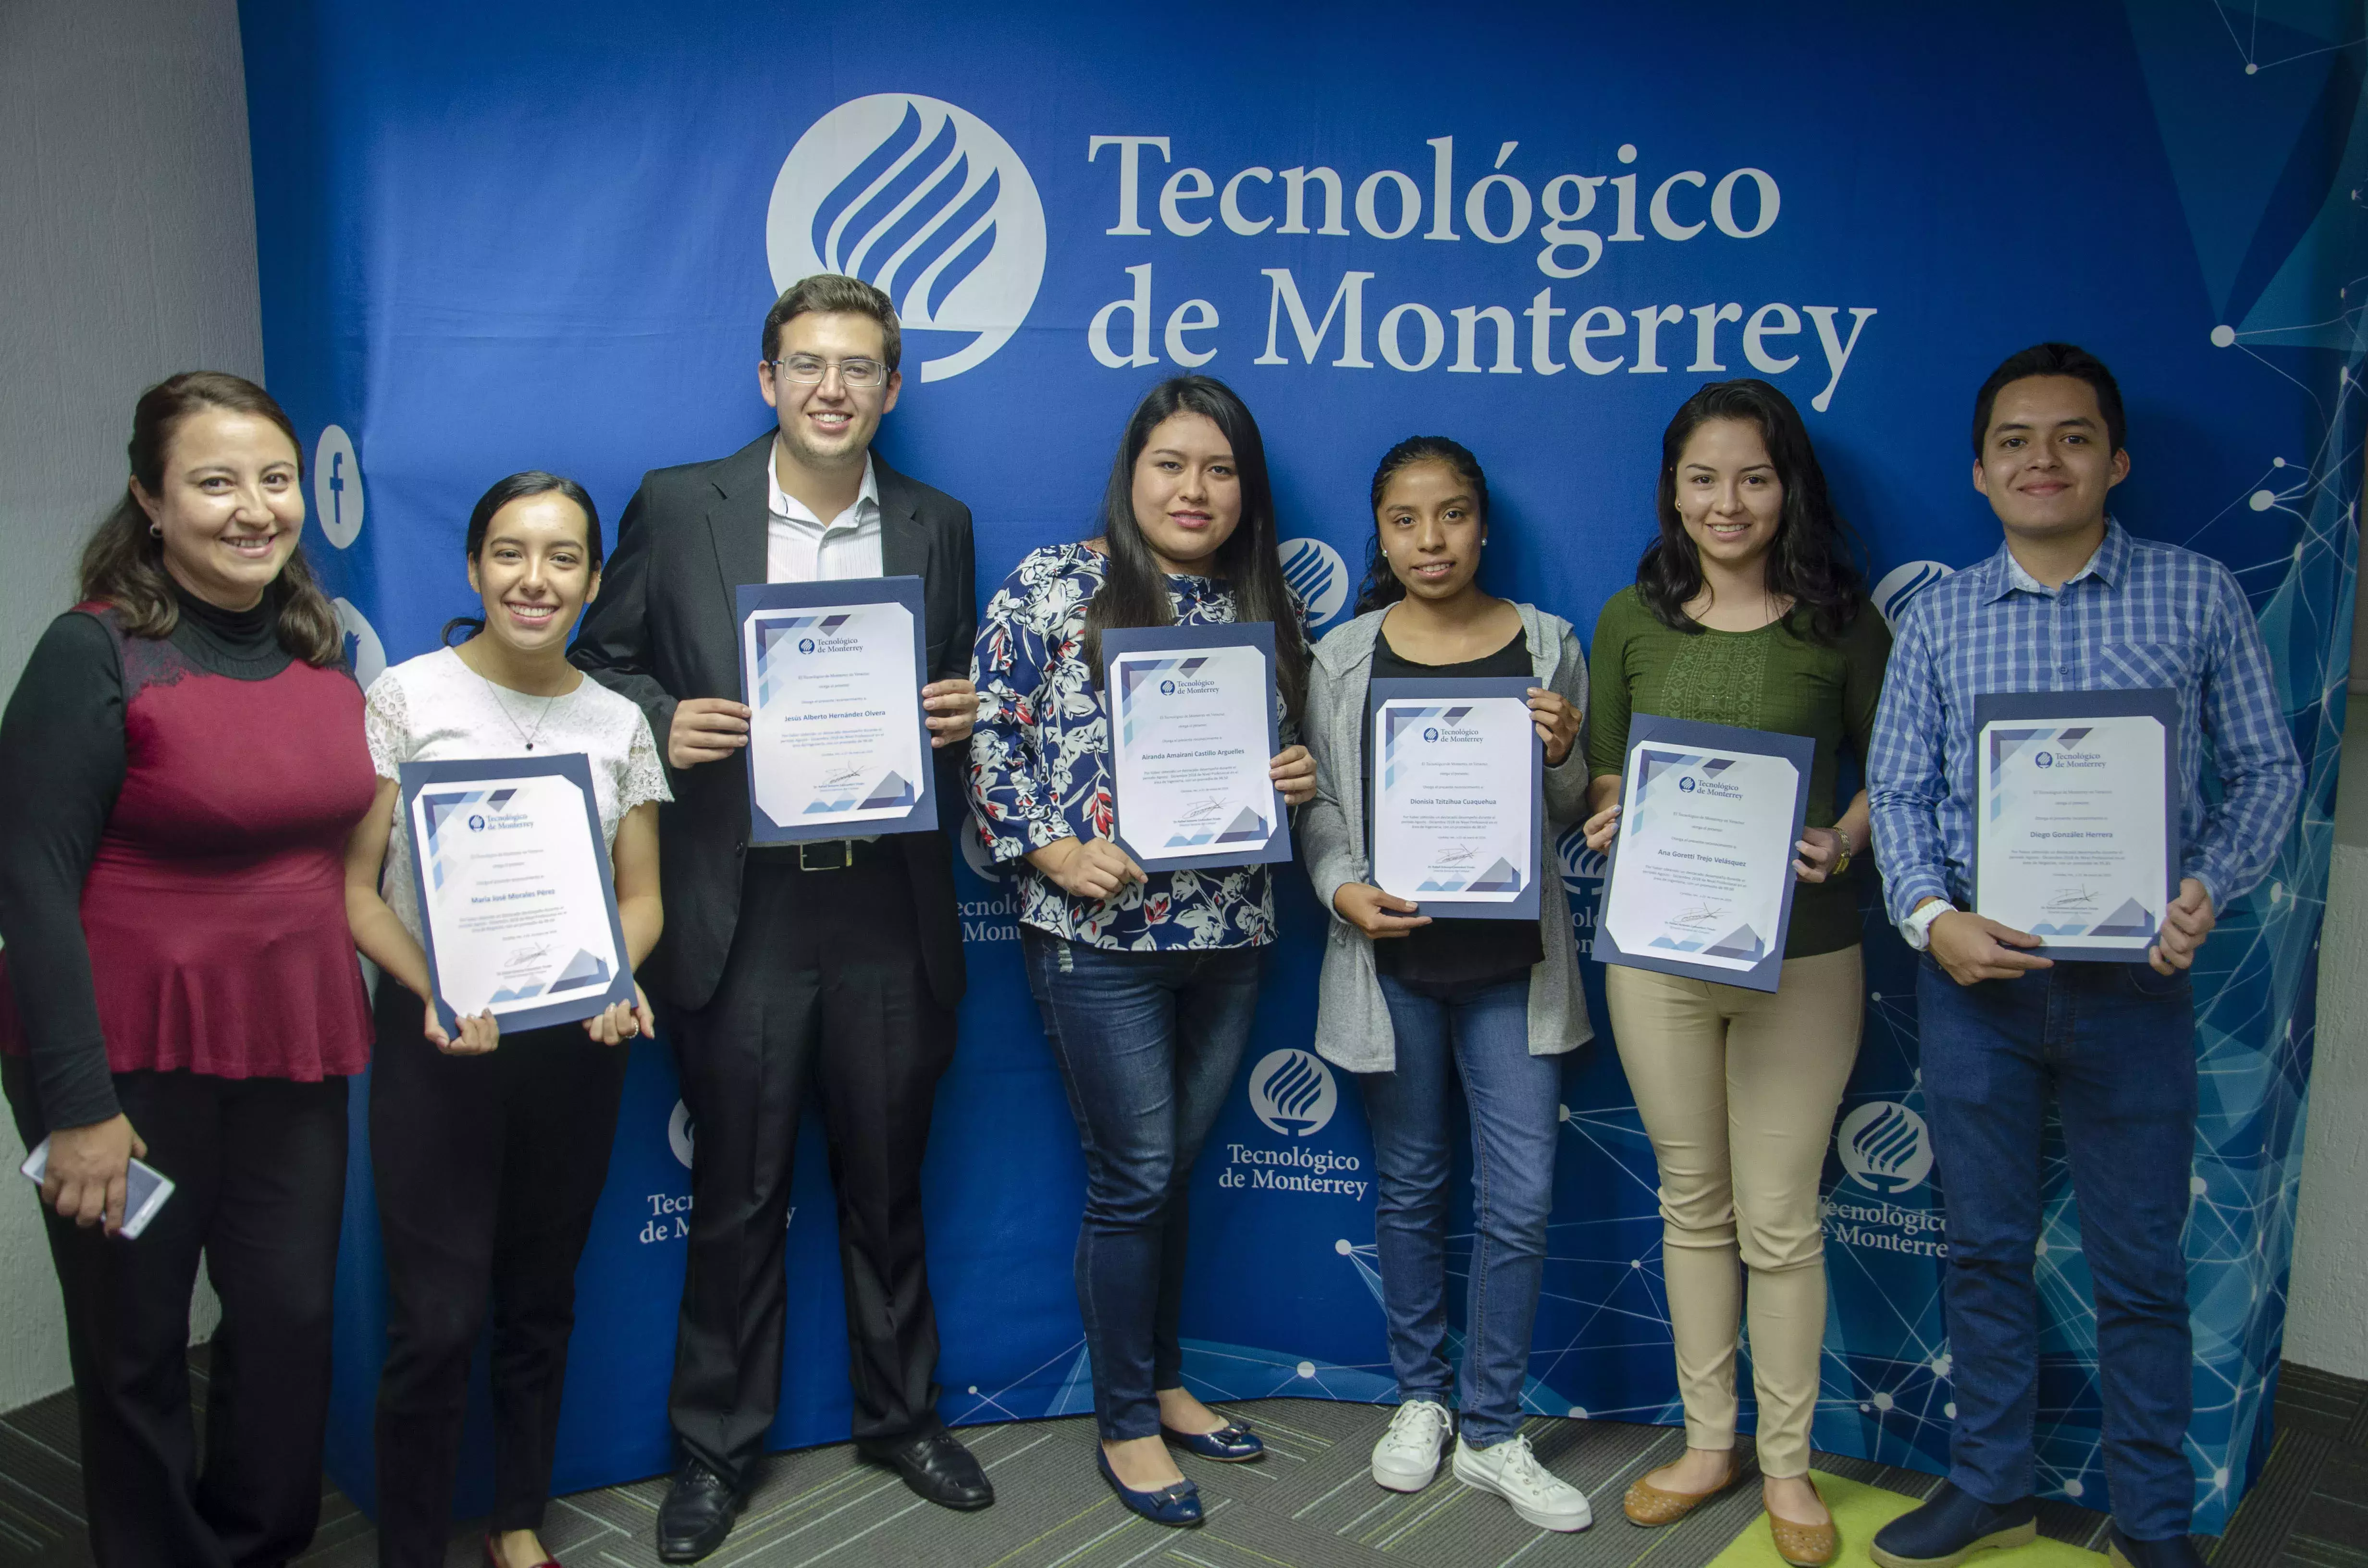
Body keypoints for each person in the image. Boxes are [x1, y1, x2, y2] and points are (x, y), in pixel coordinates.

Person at [571, 273, 986, 1563]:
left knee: (885, 1184)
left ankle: (901, 1416)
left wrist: (959, 716)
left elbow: (955, 695)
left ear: (893, 387)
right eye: (807, 363)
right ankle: (713, 1451)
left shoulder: (938, 521)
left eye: (860, 367)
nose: (831, 388)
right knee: (739, 1198)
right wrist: (654, 721)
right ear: (767, 380)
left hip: (887, 898)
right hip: (740, 906)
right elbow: (597, 661)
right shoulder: (682, 501)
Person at [1866, 344, 2300, 1568]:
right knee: (1985, 1251)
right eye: (2013, 440)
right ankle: (1991, 1481)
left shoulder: (2197, 595)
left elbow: (2266, 770)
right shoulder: (1939, 617)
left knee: (2139, 1269)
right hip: (1974, 989)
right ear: (1978, 470)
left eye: (2067, 438)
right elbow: (1895, 796)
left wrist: (2208, 886)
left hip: (2135, 992)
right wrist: (1927, 917)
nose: (2039, 460)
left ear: (2115, 460)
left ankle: (2155, 1519)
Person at [0, 371, 376, 1567]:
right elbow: (30, 892)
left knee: (287, 1322)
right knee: (136, 1341)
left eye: (273, 480)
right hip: (125, 1062)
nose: (254, 508)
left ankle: (261, 1545)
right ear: (149, 501)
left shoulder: (322, 654)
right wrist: (78, 1112)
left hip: (293, 1043)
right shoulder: (94, 651)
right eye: (214, 483)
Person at [968, 374, 1316, 1529]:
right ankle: (1122, 1422)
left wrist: (1293, 776)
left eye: (1219, 470)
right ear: (1132, 473)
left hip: (1229, 933)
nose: (1194, 489)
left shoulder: (1263, 605)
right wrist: (1053, 853)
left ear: (1243, 490)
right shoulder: (1055, 584)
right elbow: (991, 741)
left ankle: (1164, 1380)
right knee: (1130, 1180)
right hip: (1095, 937)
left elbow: (1284, 760)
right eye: (1172, 463)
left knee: (1167, 1174)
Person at [1580, 379, 1890, 1567]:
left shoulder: (1844, 622)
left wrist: (1844, 840)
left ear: (1788, 487)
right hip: (1657, 960)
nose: (1727, 503)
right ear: (1672, 490)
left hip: (1803, 960)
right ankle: (1709, 1444)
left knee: (1779, 1219)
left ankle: (1787, 1467)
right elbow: (1609, 777)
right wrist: (1612, 817)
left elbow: (1896, 771)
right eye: (1702, 479)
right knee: (1691, 1206)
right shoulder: (1628, 619)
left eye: (1753, 478)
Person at [342, 472, 668, 1568]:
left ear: (591, 579)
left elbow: (642, 898)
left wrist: (618, 977)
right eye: (512, 554)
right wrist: (428, 987)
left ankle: (517, 1519)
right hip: (437, 1047)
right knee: (433, 1324)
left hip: (575, 1051)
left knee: (540, 1300)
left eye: (563, 557)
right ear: (476, 566)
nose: (536, 580)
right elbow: (351, 890)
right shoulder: (407, 697)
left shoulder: (617, 719)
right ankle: (414, 1545)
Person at [1297, 437, 1595, 1531]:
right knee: (1414, 1190)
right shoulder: (1341, 655)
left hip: (1515, 968)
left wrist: (1563, 755)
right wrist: (1341, 889)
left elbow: (1566, 817)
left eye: (1454, 515)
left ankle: (1494, 1425)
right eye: (1406, 521)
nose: (1432, 540)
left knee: (1517, 1200)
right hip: (1395, 967)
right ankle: (1421, 1397)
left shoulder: (1549, 644)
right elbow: (1319, 807)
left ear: (1483, 524)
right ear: (1378, 534)